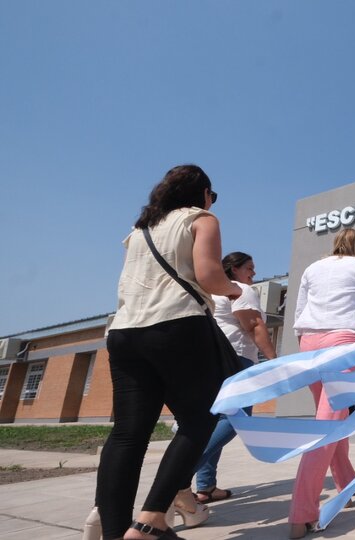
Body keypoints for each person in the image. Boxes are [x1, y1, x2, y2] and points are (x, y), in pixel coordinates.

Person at [96, 165, 242, 540]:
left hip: (125, 332)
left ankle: (115, 533)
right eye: (213, 195)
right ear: (203, 193)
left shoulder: (138, 231)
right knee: (200, 419)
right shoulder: (201, 218)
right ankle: (151, 519)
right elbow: (209, 275)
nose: (213, 201)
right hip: (177, 325)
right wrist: (234, 291)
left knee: (127, 434)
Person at [288, 228, 355, 539]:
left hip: (309, 343)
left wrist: (305, 343)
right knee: (328, 423)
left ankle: (347, 482)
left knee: (334, 415)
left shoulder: (312, 268)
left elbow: (299, 310)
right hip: (343, 342)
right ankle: (301, 511)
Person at [184, 252, 277, 505]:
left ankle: (205, 487)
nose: (253, 273)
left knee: (215, 421)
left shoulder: (211, 292)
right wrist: (274, 361)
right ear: (234, 269)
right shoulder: (242, 290)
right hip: (236, 359)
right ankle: (180, 477)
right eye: (249, 267)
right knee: (238, 419)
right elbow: (255, 326)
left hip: (210, 360)